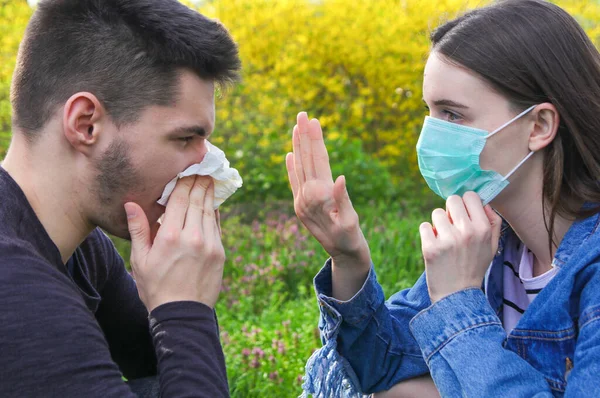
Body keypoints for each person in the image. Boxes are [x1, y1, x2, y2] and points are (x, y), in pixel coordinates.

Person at [286, 0, 600, 397]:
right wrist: (348, 258)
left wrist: (456, 298)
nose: (430, 137)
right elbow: (377, 368)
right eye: (429, 112)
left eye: (452, 115)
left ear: (538, 126)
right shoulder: (491, 238)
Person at [0, 0, 240, 397]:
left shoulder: (82, 249)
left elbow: (163, 370)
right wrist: (185, 309)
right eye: (185, 138)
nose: (207, 161)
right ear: (86, 124)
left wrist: (179, 295)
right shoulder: (14, 289)